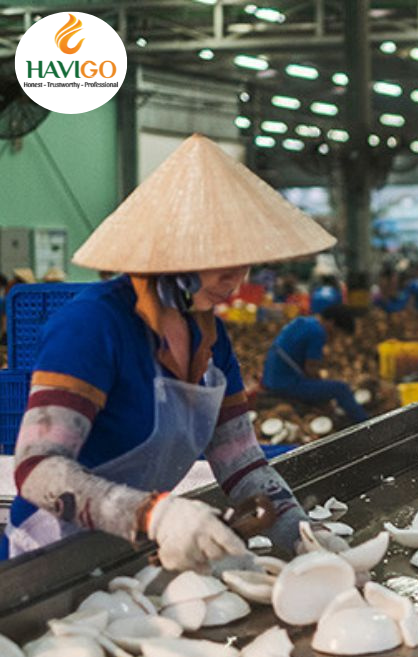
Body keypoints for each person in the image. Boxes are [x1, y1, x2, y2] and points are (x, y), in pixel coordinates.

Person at [0, 134, 341, 571]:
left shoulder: (209, 335)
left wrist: (302, 535)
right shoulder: (92, 325)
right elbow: (37, 468)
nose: (238, 276)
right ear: (173, 255)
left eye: (247, 257)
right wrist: (154, 514)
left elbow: (240, 462)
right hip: (50, 561)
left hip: (138, 553)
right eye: (221, 257)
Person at [261, 303, 369, 423]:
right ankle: (365, 423)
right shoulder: (318, 333)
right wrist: (325, 396)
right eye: (338, 333)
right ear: (331, 323)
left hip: (271, 379)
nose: (335, 338)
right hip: (286, 383)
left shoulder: (305, 322)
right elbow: (311, 369)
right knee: (341, 388)